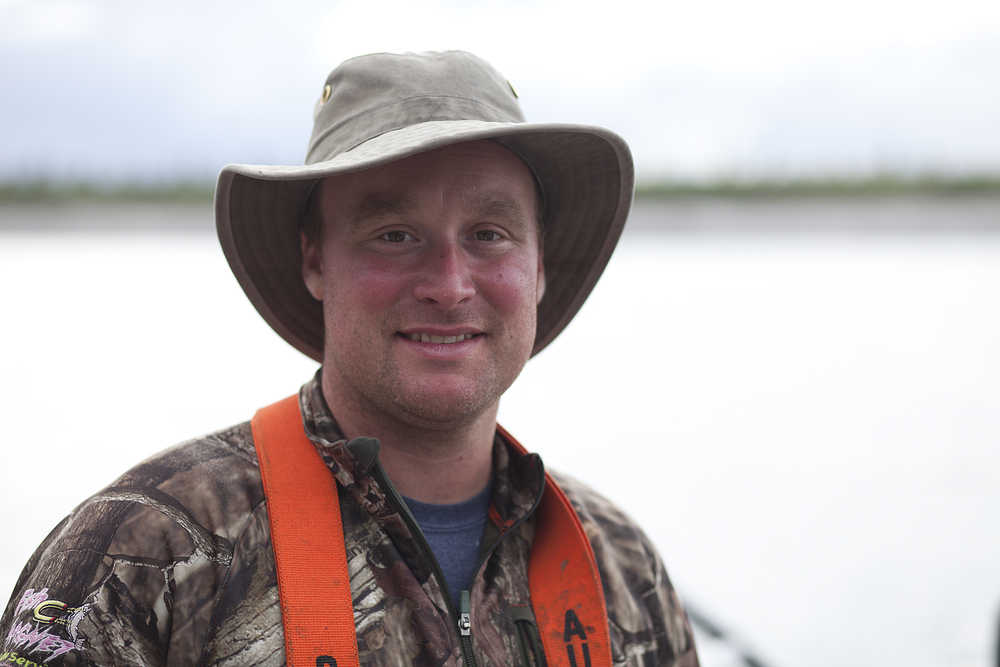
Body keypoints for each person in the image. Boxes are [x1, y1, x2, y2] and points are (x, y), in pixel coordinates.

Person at [0, 51, 698, 666]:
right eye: (395, 235)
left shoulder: (620, 569)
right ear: (315, 260)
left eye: (489, 233)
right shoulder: (147, 551)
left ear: (540, 267)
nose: (450, 284)